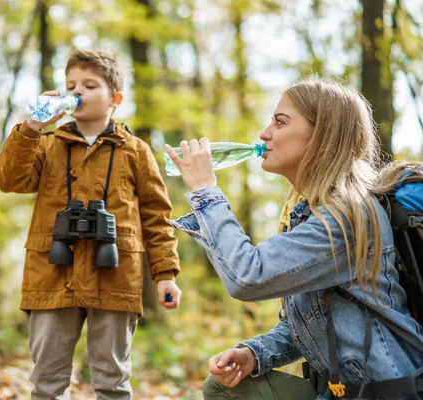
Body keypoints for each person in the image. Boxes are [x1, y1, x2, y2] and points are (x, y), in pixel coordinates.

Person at [165, 77, 423, 399]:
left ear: (321, 136)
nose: (265, 133)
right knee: (222, 387)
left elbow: (247, 276)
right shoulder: (310, 215)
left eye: (280, 122)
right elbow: (310, 319)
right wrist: (255, 354)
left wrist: (205, 191)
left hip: (389, 393)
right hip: (342, 392)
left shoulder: (348, 218)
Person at [0, 49, 182, 400]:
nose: (77, 91)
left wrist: (165, 274)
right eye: (70, 85)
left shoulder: (136, 150)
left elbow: (157, 216)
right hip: (51, 274)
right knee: (46, 381)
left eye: (89, 85)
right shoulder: (46, 144)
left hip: (114, 274)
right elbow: (9, 180)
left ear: (115, 99)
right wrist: (33, 124)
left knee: (112, 381)